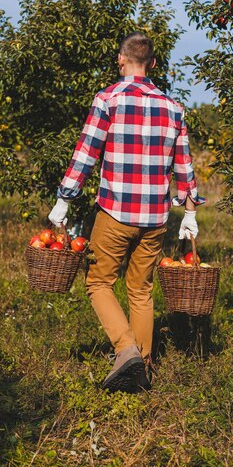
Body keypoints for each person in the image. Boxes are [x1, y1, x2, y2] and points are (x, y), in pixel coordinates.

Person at [49, 32, 203, 393]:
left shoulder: (108, 100)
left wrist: (64, 199)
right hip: (155, 218)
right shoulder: (173, 107)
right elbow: (184, 166)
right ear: (152, 64)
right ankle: (143, 368)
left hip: (116, 212)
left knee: (99, 282)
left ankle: (126, 350)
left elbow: (86, 154)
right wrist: (190, 212)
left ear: (121, 59)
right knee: (141, 288)